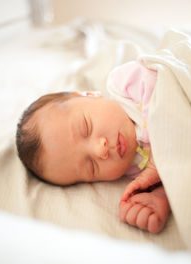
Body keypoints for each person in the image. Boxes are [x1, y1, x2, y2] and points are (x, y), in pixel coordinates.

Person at [16, 60, 170, 234]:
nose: (100, 150)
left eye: (86, 127)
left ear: (89, 94)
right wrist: (160, 196)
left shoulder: (124, 84)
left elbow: (163, 82)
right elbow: (178, 169)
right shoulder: (135, 172)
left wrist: (159, 151)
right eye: (91, 166)